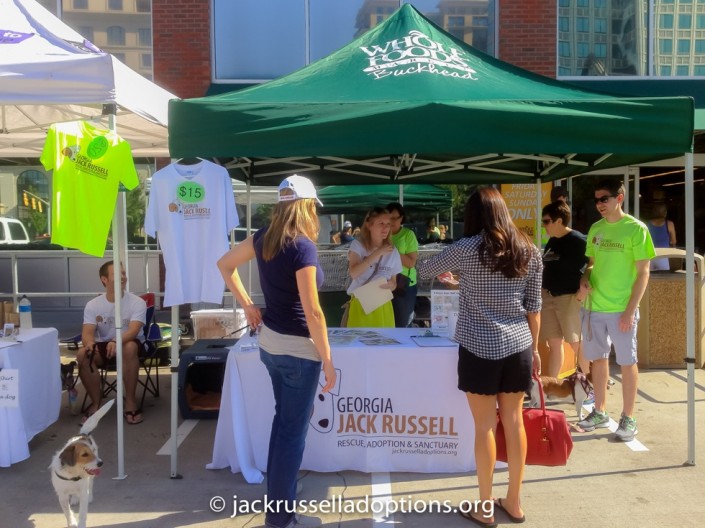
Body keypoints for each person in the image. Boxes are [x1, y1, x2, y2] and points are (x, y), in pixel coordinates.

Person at [418, 188, 542, 527]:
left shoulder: (465, 248)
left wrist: (460, 275)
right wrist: (534, 349)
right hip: (519, 346)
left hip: (478, 346)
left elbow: (426, 268)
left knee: (485, 426)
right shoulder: (529, 249)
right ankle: (514, 501)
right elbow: (534, 308)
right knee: (515, 423)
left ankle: (485, 506)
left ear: (473, 215)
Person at [217, 174, 335, 528]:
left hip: (271, 344)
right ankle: (280, 519)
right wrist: (329, 360)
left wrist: (248, 306)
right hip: (299, 351)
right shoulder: (302, 247)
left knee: (283, 425)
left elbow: (225, 265)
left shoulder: (262, 238)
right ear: (306, 206)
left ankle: (278, 509)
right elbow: (313, 311)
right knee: (290, 433)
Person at [577, 179, 655, 442]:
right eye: (596, 200)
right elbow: (591, 264)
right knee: (598, 360)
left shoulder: (636, 229)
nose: (599, 204)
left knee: (626, 361)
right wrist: (584, 280)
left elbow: (644, 272)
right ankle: (599, 411)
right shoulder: (596, 228)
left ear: (619, 198)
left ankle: (629, 417)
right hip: (594, 307)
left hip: (622, 308)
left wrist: (630, 310)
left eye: (604, 199)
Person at [76, 260, 146, 425]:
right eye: (117, 274)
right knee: (82, 354)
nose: (123, 277)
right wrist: (90, 344)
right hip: (104, 345)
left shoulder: (137, 302)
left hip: (131, 343)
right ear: (104, 279)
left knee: (128, 348)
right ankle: (96, 403)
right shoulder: (93, 305)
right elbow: (87, 333)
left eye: (123, 273)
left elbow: (134, 330)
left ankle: (130, 402)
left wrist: (115, 341)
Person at [540, 201, 590, 377]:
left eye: (546, 221)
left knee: (576, 343)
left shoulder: (579, 240)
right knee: (554, 343)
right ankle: (552, 385)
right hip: (548, 296)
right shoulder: (552, 241)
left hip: (569, 298)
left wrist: (586, 284)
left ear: (559, 221)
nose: (543, 225)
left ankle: (593, 385)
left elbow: (595, 264)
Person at [346, 207, 402, 328]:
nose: (386, 228)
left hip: (382, 304)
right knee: (359, 344)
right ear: (369, 225)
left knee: (384, 345)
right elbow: (354, 273)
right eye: (381, 223)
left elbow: (394, 282)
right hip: (361, 304)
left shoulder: (393, 251)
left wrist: (392, 286)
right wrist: (377, 253)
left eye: (388, 224)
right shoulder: (358, 245)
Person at [387, 202, 419, 328]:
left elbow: (411, 263)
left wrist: (392, 249)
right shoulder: (381, 233)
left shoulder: (408, 235)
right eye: (389, 218)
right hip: (383, 283)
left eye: (395, 218)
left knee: (403, 324)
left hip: (403, 284)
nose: (392, 221)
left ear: (402, 218)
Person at [646, 203, 676, 271]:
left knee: (649, 278)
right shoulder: (669, 224)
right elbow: (673, 241)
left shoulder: (647, 224)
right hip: (663, 255)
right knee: (664, 279)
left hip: (650, 255)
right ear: (665, 212)